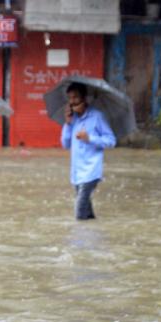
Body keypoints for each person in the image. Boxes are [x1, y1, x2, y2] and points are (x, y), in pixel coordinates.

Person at [61, 82, 116, 220]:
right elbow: (65, 144)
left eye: (75, 97)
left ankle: (79, 239)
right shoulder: (72, 119)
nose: (72, 102)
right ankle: (93, 235)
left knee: (79, 213)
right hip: (77, 172)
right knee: (87, 213)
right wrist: (67, 124)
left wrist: (89, 138)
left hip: (91, 172)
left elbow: (111, 141)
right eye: (70, 98)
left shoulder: (97, 117)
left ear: (84, 98)